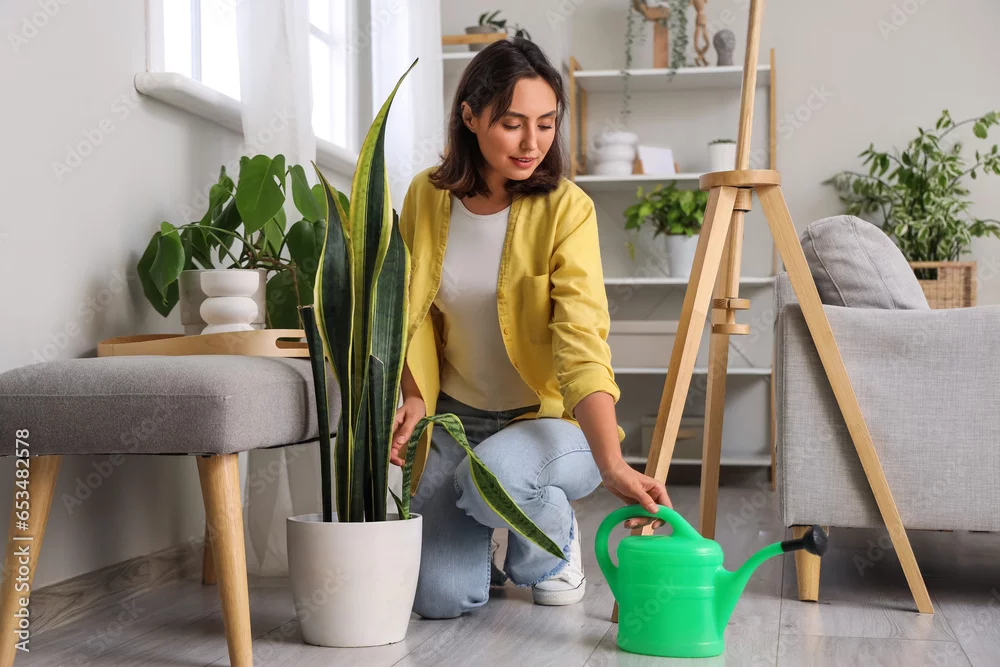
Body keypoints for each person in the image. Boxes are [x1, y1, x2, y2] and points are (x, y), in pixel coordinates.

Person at [390, 37, 671, 620]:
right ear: (470, 117)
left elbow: (581, 341)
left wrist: (613, 464)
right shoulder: (425, 196)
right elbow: (413, 317)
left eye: (546, 124)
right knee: (439, 599)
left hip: (548, 424)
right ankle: (485, 547)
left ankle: (551, 543)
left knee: (493, 481)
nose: (532, 143)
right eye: (512, 123)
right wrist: (414, 397)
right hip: (458, 419)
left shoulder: (568, 208)